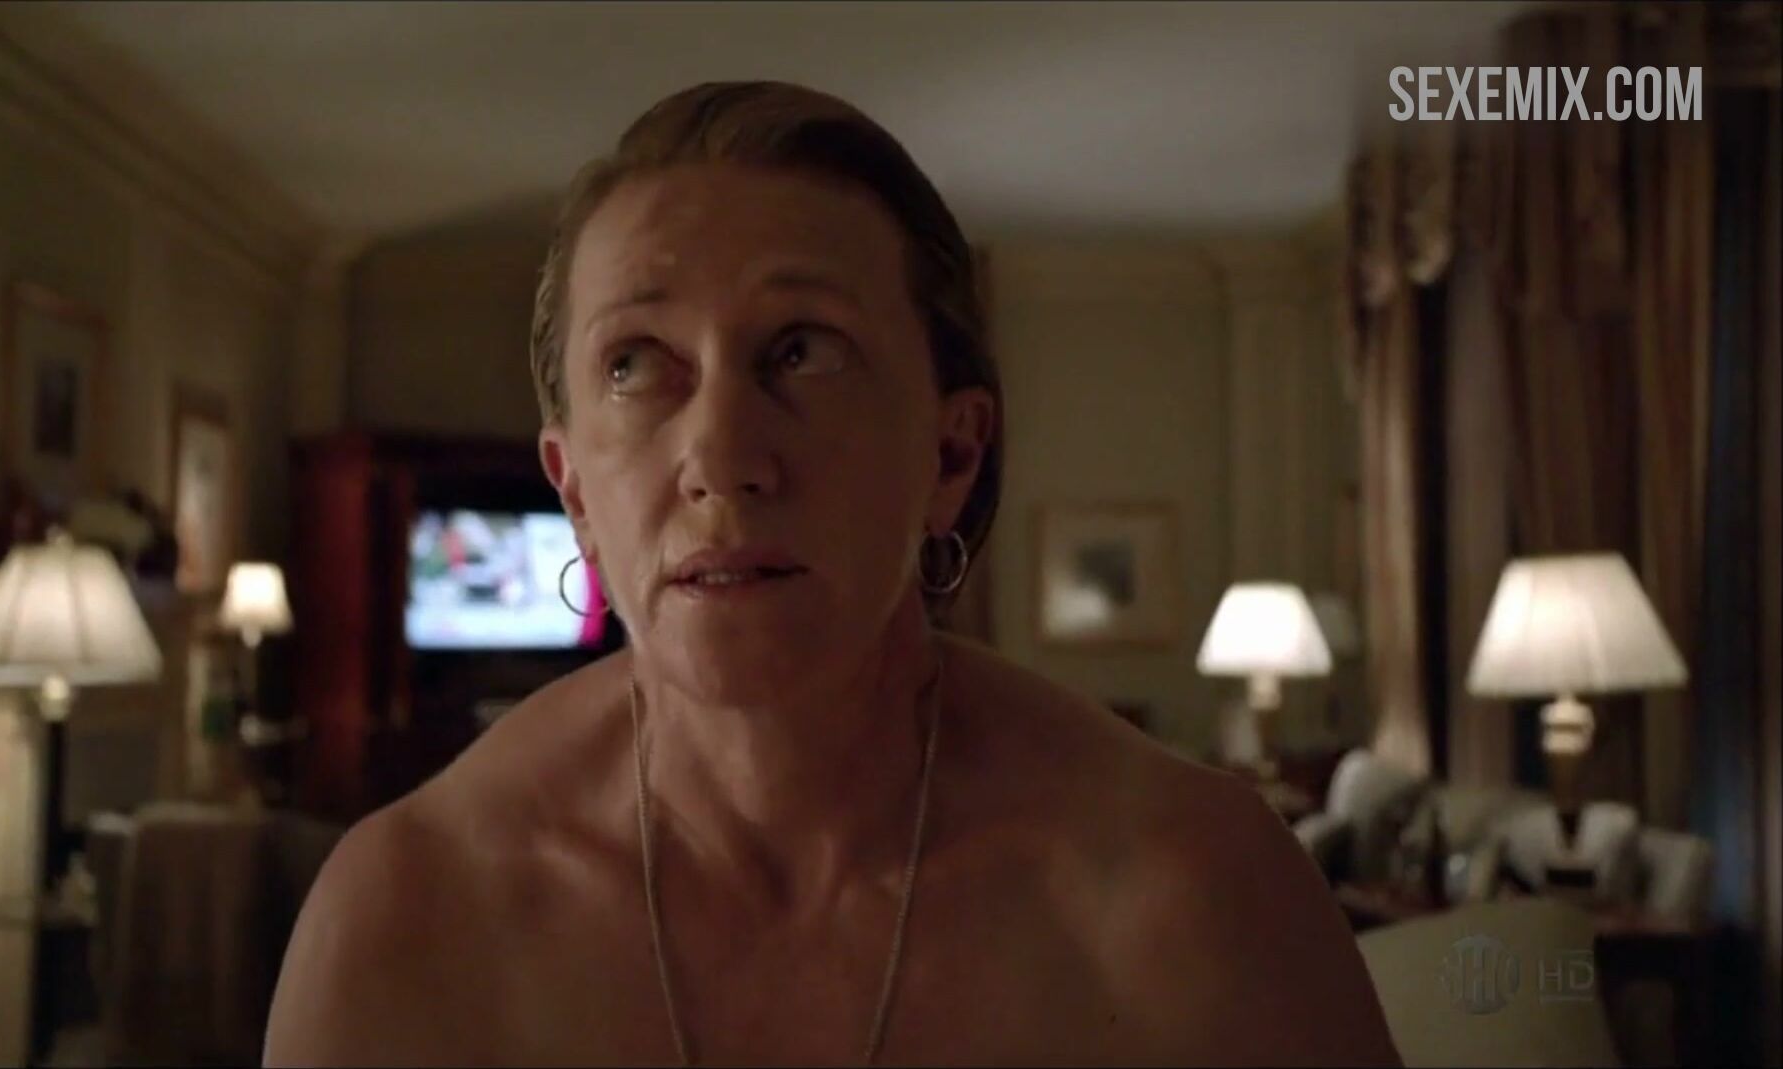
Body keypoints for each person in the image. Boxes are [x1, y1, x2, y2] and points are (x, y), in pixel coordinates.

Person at [264, 80, 1399, 1067]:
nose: (721, 457)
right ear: (574, 494)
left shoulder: (1195, 894)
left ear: (950, 455)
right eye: (637, 363)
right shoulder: (407, 915)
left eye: (802, 349)